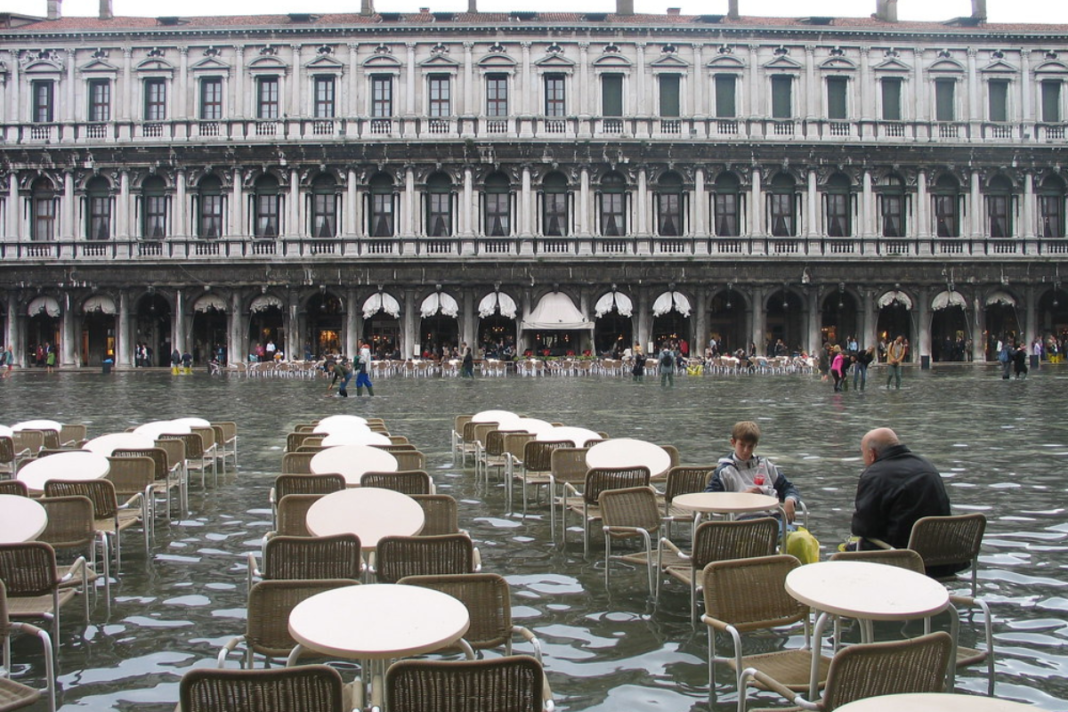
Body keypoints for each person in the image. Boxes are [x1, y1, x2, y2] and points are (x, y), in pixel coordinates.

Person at [850, 428, 954, 573]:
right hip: (943, 559)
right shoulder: (926, 466)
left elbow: (863, 528)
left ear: (871, 454)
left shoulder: (875, 474)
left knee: (846, 553)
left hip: (902, 559)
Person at [704, 420, 800, 524]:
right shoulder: (725, 471)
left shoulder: (766, 466)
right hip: (745, 521)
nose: (746, 450)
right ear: (733, 442)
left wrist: (790, 500)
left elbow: (788, 488)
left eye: (750, 446)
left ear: (755, 446)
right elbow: (709, 498)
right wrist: (741, 497)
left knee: (801, 538)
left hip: (773, 518)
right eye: (742, 445)